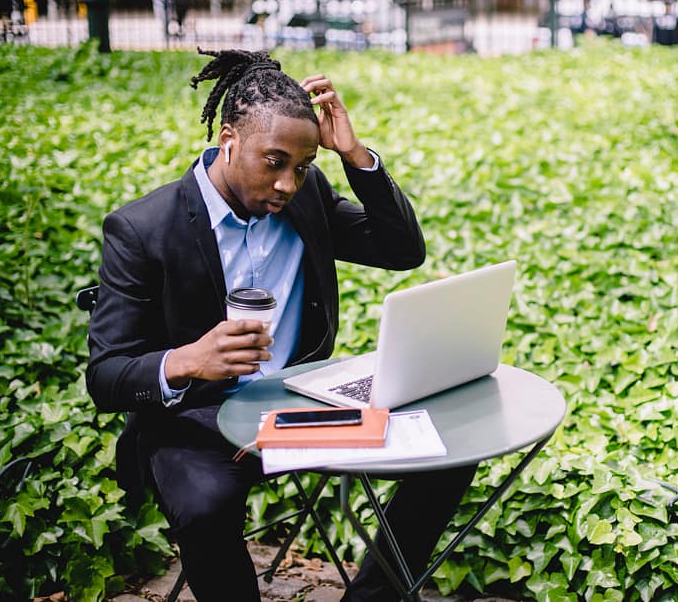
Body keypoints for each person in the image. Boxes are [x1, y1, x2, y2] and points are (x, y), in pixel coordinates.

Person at [86, 48, 477, 602]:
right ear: (229, 140)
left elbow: (400, 249)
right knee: (204, 507)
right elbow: (105, 375)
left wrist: (354, 155)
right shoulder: (144, 229)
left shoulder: (303, 197)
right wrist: (189, 360)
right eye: (274, 162)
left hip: (303, 409)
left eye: (303, 166)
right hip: (198, 424)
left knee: (449, 452)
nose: (289, 184)